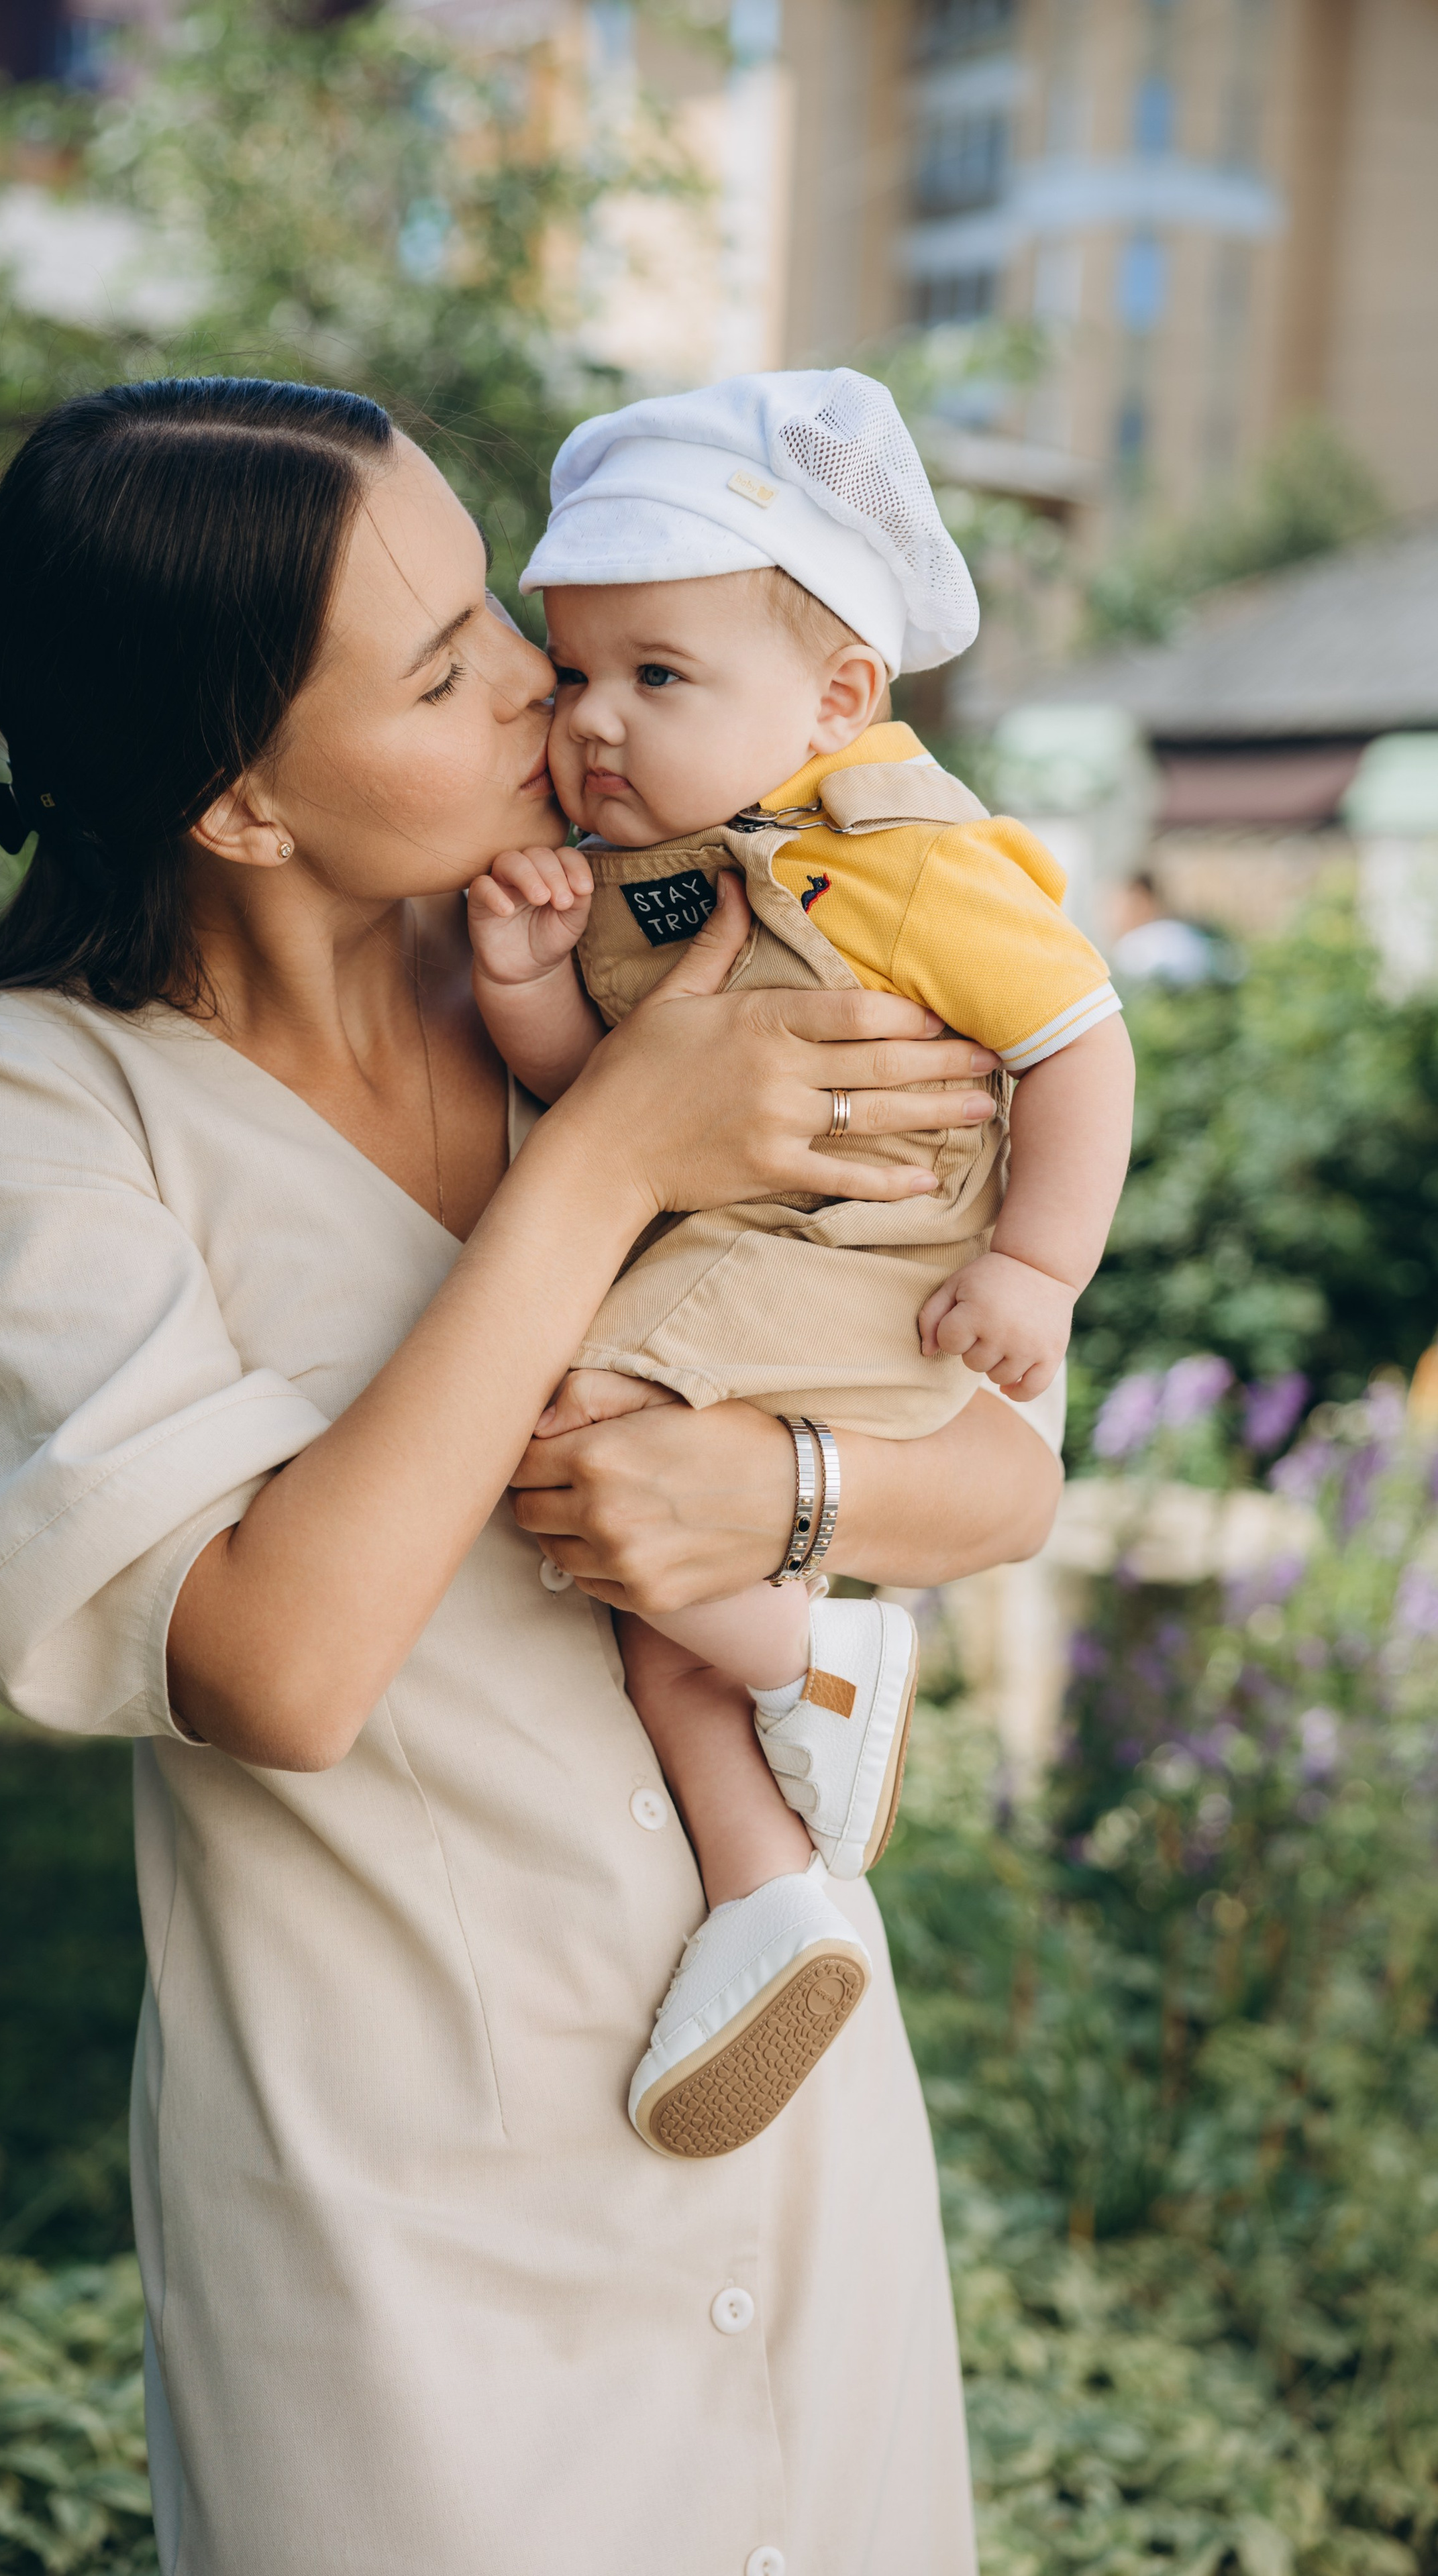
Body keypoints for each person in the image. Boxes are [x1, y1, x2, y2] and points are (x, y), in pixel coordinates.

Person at [0, 375, 1064, 2576]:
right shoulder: (22, 1107)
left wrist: (773, 1493)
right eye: (445, 665)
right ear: (245, 805)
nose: (544, 686)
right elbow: (274, 1665)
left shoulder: (663, 936)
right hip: (406, 2244)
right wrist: (606, 1164)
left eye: (504, 607)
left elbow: (1000, 1471)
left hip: (791, 2132)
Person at [470, 370, 1134, 2157]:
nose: (595, 725)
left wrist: (1045, 1273)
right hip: (748, 1264)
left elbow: (1080, 1034)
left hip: (862, 1266)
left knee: (564, 1411)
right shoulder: (647, 867)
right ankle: (770, 1903)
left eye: (659, 678)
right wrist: (532, 981)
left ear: (840, 695)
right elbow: (608, 1108)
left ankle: (822, 1669)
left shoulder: (893, 865)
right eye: (574, 674)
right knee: (652, 1625)